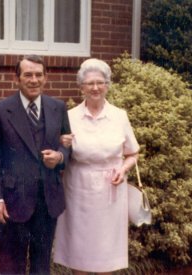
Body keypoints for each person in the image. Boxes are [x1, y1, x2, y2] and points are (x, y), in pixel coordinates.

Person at [0, 54, 71, 274]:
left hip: (47, 201)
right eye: (28, 75)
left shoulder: (57, 107)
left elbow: (67, 146)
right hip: (13, 202)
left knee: (41, 266)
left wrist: (59, 157)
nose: (34, 80)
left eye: (39, 75)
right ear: (17, 78)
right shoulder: (0, 111)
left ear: (46, 77)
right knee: (12, 265)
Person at [53, 58, 140, 274]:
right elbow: (61, 154)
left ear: (107, 85)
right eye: (90, 83)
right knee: (80, 254)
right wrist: (61, 145)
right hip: (77, 192)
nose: (95, 88)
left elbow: (132, 153)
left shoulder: (119, 117)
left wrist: (123, 168)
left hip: (110, 193)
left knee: (105, 256)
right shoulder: (70, 117)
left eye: (100, 82)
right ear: (81, 87)